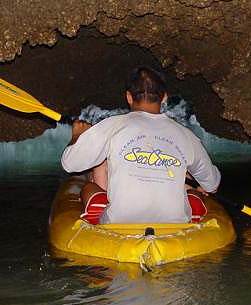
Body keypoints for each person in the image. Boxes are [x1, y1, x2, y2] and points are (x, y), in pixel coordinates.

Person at [60, 67, 221, 224]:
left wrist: (77, 136)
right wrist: (200, 184)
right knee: (192, 192)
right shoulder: (187, 136)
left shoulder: (112, 126)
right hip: (174, 224)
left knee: (89, 187)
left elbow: (70, 164)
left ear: (129, 97)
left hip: (119, 223)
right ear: (164, 97)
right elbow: (212, 185)